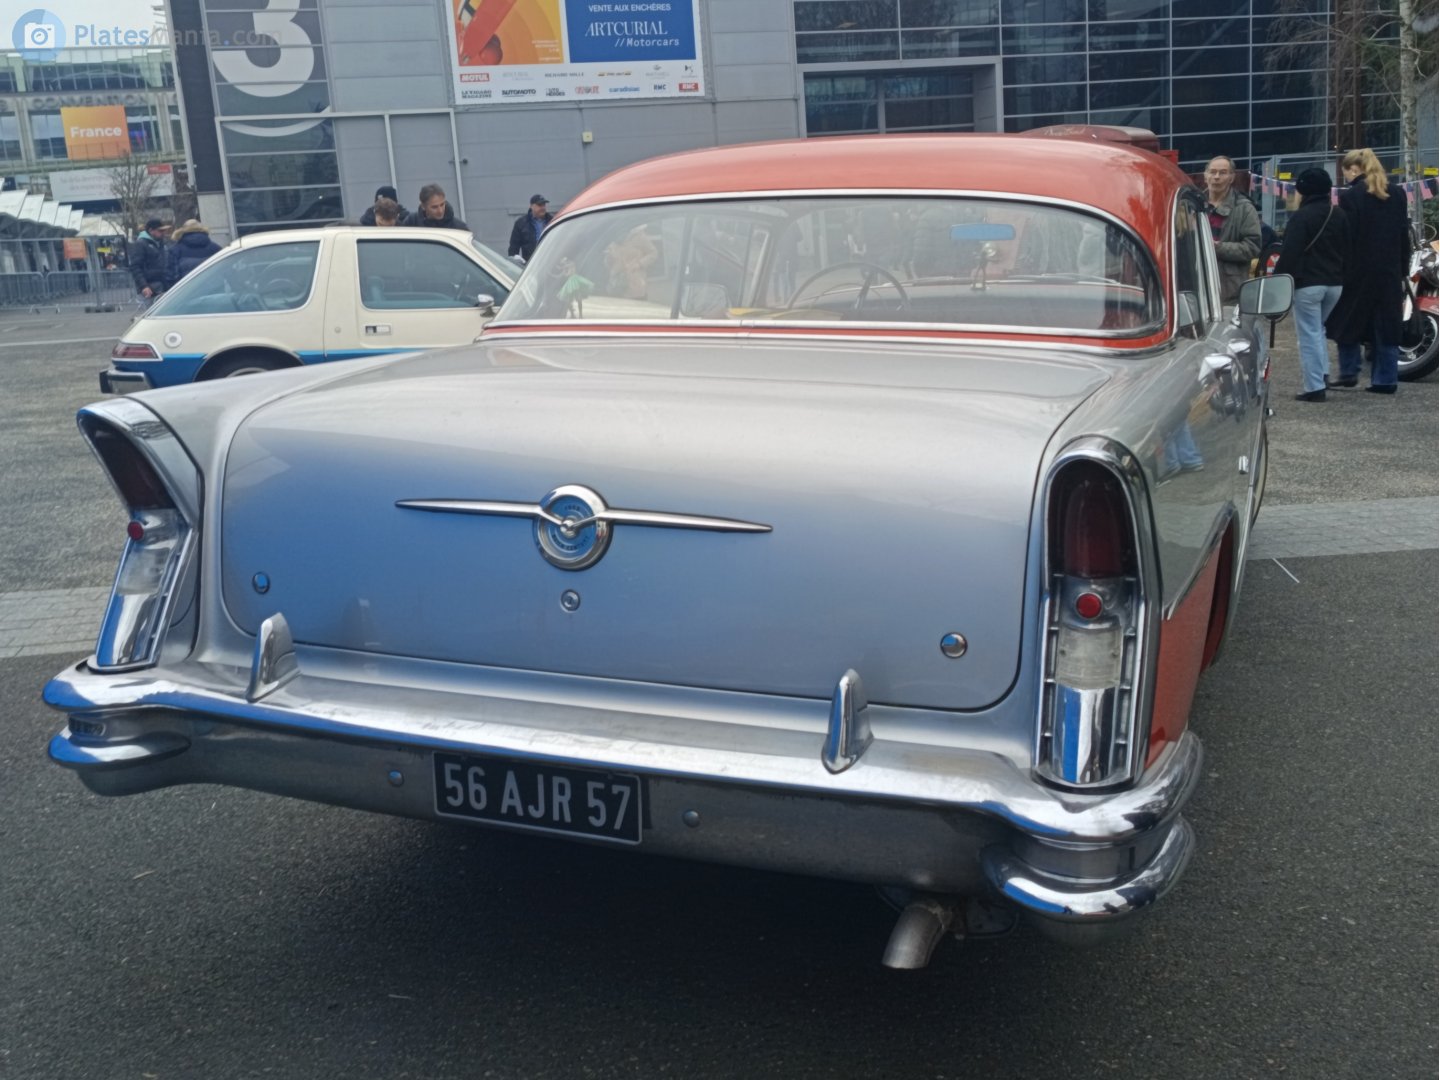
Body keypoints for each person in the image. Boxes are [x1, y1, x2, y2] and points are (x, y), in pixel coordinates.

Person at [1326, 148, 1410, 395]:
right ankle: (1386, 379)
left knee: (1348, 320)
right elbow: (1402, 235)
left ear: (1354, 169)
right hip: (1390, 270)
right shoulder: (1397, 194)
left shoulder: (1352, 197)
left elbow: (1347, 237)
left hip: (1358, 269)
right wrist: (1402, 268)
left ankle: (1349, 372)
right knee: (1387, 325)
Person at [1274, 168, 1350, 402]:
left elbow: (1290, 253)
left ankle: (1314, 386)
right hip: (1335, 284)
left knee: (1309, 333)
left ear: (1302, 191)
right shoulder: (1339, 215)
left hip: (1308, 284)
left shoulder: (1301, 217)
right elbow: (1349, 249)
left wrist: (1277, 280)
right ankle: (1323, 373)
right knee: (1319, 329)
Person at [1202, 156, 1262, 304]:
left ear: (1231, 177)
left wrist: (1218, 248)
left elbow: (1252, 247)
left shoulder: (1244, 208)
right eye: (1212, 172)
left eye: (1222, 173)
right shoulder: (1191, 204)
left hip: (1228, 293)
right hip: (1196, 289)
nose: (1216, 177)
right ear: (1205, 176)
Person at [166, 219, 223, 284]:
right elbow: (225, 270)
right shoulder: (215, 248)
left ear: (183, 232)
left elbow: (172, 276)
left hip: (188, 291)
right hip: (214, 289)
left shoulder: (175, 250)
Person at [129, 217, 171, 300]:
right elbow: (135, 267)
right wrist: (144, 286)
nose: (163, 233)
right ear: (151, 231)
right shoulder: (140, 244)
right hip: (151, 288)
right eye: (160, 231)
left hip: (162, 285)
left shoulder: (161, 244)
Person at [508, 194, 553, 263]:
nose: (543, 207)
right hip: (530, 265)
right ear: (531, 206)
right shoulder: (521, 223)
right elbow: (513, 248)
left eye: (544, 205)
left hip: (550, 263)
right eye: (539, 205)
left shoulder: (552, 221)